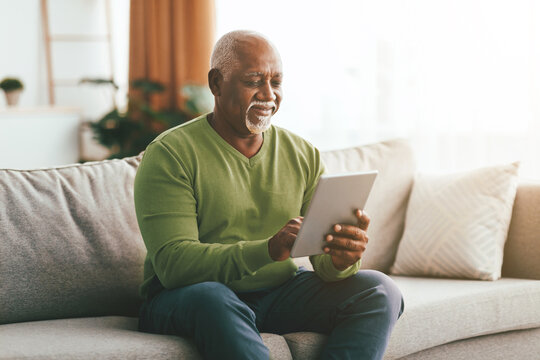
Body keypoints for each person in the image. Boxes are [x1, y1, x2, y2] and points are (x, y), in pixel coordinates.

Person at [134, 30, 404, 360]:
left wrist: (341, 259)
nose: (268, 95)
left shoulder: (302, 153)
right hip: (187, 298)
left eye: (276, 82)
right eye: (253, 81)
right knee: (213, 298)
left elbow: (324, 265)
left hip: (278, 294)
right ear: (216, 83)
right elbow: (174, 265)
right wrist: (266, 250)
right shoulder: (170, 153)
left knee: (379, 289)